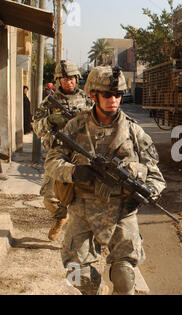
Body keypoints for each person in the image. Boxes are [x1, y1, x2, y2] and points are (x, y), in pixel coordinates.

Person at [44, 66, 166, 295]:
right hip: (82, 207)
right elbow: (51, 163)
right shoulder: (75, 127)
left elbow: (156, 177)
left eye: (118, 95)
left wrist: (148, 191)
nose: (114, 100)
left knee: (125, 275)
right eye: (107, 95)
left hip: (122, 209)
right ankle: (96, 291)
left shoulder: (134, 132)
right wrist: (74, 172)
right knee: (74, 271)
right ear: (93, 95)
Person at [32, 60, 94, 241]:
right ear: (58, 80)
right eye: (64, 78)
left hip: (82, 155)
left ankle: (85, 236)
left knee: (86, 197)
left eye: (71, 78)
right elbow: (36, 128)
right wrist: (50, 121)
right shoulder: (49, 102)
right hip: (58, 155)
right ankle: (61, 217)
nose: (68, 82)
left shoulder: (87, 100)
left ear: (77, 78)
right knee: (48, 197)